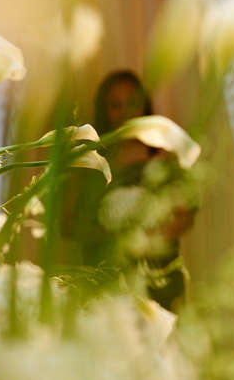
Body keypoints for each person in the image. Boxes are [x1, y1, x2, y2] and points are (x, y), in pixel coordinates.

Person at [69, 70, 195, 311]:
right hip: (105, 277)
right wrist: (112, 238)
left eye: (132, 103)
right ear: (104, 110)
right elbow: (69, 223)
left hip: (160, 275)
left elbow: (184, 215)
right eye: (115, 105)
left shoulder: (164, 157)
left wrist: (147, 238)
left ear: (144, 105)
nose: (125, 112)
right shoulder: (91, 162)